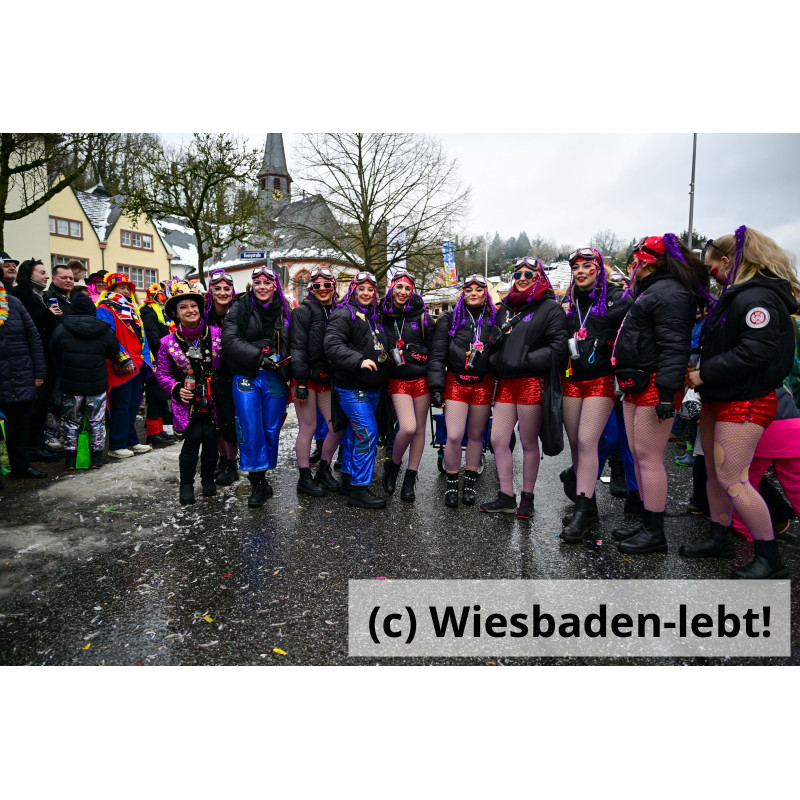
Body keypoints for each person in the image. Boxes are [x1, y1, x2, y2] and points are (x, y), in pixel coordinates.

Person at [682, 226, 799, 577]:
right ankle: (719, 536)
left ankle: (770, 558)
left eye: (712, 267)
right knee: (716, 478)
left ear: (728, 261)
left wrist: (705, 373)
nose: (711, 274)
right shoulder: (740, 297)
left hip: (743, 400)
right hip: (721, 398)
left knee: (734, 479)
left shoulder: (757, 298)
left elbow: (755, 351)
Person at [611, 234, 710, 554]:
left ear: (649, 260)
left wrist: (667, 393)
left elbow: (674, 347)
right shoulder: (653, 290)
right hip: (637, 382)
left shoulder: (670, 293)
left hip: (654, 384)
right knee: (640, 456)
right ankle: (646, 520)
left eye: (636, 258)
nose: (632, 264)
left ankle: (655, 533)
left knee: (649, 458)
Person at [482, 257, 569, 517]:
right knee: (498, 439)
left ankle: (527, 497)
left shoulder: (551, 308)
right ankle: (506, 496)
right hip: (507, 383)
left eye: (529, 274)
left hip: (532, 382)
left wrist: (524, 360)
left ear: (539, 277)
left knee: (529, 442)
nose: (522, 277)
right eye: (518, 273)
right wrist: (498, 359)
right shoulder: (506, 307)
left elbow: (558, 349)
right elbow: (494, 342)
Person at [559, 248, 631, 541]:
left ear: (599, 269)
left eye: (588, 266)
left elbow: (628, 325)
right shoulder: (567, 302)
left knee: (588, 441)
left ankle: (582, 511)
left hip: (601, 379)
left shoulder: (617, 297)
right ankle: (586, 507)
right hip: (571, 379)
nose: (581, 271)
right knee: (577, 444)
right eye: (576, 267)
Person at [221, 266, 291, 507]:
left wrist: (289, 365)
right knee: (250, 428)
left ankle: (263, 474)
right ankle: (257, 483)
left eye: (267, 282)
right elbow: (229, 341)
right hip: (246, 375)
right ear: (252, 285)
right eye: (258, 282)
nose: (262, 287)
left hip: (275, 377)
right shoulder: (239, 307)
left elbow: (293, 341)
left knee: (271, 428)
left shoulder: (284, 308)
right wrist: (259, 358)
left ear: (275, 286)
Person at [428, 274, 498, 507]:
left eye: (479, 289)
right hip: (455, 381)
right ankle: (451, 482)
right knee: (455, 434)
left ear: (485, 293)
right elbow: (438, 355)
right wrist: (436, 387)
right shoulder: (449, 318)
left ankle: (469, 481)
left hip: (483, 382)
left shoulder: (494, 317)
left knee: (477, 435)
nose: (474, 294)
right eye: (469, 290)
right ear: (463, 293)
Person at [324, 271, 390, 509]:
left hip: (371, 388)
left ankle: (349, 479)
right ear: (353, 290)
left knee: (355, 434)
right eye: (361, 288)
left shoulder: (372, 317)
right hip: (352, 387)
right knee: (367, 433)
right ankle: (360, 490)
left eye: (370, 289)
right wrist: (358, 360)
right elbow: (331, 345)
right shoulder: (343, 314)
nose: (365, 293)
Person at [157, 282, 224, 504]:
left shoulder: (217, 334)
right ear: (176, 314)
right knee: (192, 441)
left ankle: (207, 480)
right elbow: (163, 374)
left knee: (211, 440)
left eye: (193, 305)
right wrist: (175, 389)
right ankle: (186, 484)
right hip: (187, 402)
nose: (190, 310)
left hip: (215, 399)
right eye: (183, 307)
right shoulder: (167, 343)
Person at [289, 265, 344, 496]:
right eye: (317, 285)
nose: (323, 289)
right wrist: (300, 381)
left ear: (334, 287)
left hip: (326, 377)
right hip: (305, 378)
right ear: (311, 288)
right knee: (308, 427)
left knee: (336, 426)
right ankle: (304, 477)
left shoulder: (338, 310)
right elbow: (297, 347)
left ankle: (323, 469)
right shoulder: (303, 311)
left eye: (327, 285)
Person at [49, 292, 118, 469]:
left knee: (70, 421)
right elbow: (113, 351)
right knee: (96, 421)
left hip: (71, 384)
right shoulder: (105, 329)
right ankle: (96, 459)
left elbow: (53, 350)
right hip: (97, 384)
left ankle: (71, 460)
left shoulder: (62, 328)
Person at [379, 269, 432, 501]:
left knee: (420, 429)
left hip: (421, 380)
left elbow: (435, 349)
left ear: (413, 291)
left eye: (407, 288)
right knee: (407, 427)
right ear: (392, 287)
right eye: (398, 287)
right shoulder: (381, 313)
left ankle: (411, 477)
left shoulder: (422, 316)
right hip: (397, 380)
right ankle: (394, 465)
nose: (402, 292)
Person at [11, 258, 63, 463]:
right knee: (35, 406)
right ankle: (33, 447)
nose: (46, 276)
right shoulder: (20, 294)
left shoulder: (42, 295)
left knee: (42, 405)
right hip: (31, 360)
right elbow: (27, 326)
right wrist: (49, 315)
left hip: (46, 357)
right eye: (41, 272)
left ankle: (39, 443)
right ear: (29, 274)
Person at [96, 273, 153, 458]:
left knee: (132, 404)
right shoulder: (105, 308)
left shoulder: (131, 309)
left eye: (128, 288)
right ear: (111, 289)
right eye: (122, 288)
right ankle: (117, 444)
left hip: (137, 362)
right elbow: (108, 335)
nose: (127, 291)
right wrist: (123, 358)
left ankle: (132, 441)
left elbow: (140, 336)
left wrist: (145, 360)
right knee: (120, 405)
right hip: (121, 363)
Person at [0, 281, 47, 479]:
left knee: (19, 426)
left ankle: (21, 467)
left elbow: (34, 338)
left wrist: (38, 372)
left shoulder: (14, 303)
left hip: (20, 375)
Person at [205, 269, 240, 486]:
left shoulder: (239, 313)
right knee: (214, 421)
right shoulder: (204, 314)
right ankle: (223, 458)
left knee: (229, 421)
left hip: (233, 374)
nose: (222, 293)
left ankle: (232, 462)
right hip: (210, 375)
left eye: (227, 289)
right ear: (211, 291)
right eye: (217, 289)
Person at [139, 283, 176, 447]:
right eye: (160, 298)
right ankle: (153, 432)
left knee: (161, 396)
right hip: (156, 359)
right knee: (155, 396)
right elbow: (153, 338)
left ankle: (159, 430)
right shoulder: (149, 314)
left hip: (162, 358)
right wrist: (167, 351)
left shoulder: (158, 313)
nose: (162, 301)